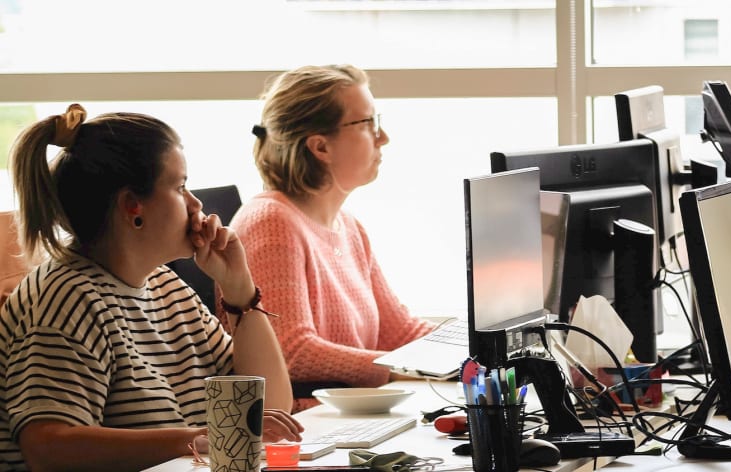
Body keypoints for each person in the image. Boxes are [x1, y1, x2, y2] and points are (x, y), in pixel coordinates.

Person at [0, 104, 303, 471]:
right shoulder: (67, 298)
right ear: (133, 207)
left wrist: (239, 291)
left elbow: (268, 408)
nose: (196, 203)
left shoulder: (165, 286)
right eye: (180, 186)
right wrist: (199, 438)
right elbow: (48, 446)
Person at [227, 65, 435, 412]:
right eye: (369, 123)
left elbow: (400, 332)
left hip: (353, 414)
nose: (383, 138)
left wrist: (475, 350)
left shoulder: (348, 226)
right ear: (320, 147)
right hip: (307, 424)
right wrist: (398, 371)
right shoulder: (271, 222)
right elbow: (291, 351)